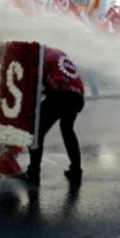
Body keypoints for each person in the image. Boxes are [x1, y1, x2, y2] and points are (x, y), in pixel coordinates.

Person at [16, 46, 85, 186]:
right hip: (78, 96)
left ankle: (33, 173)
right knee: (67, 130)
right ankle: (76, 170)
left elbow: (34, 86)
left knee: (35, 132)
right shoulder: (58, 52)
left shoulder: (37, 57)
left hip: (61, 94)